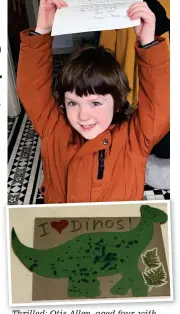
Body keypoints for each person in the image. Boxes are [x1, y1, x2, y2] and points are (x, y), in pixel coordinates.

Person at [17, 0, 170, 204]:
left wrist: (149, 45)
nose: (83, 115)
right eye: (73, 103)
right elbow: (31, 90)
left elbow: (160, 104)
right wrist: (42, 31)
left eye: (95, 103)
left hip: (119, 233)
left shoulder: (134, 137)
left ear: (117, 102)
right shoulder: (55, 130)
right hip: (62, 230)